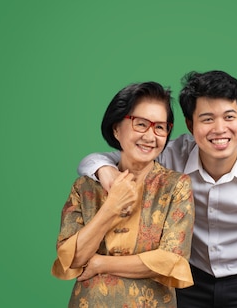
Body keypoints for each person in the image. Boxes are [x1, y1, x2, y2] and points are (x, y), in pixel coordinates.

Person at [77, 70, 237, 308]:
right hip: (188, 277)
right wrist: (105, 170)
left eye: (229, 117)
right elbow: (94, 160)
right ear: (190, 125)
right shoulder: (171, 156)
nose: (220, 129)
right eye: (207, 119)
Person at [52, 81, 196, 307]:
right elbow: (72, 258)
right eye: (141, 124)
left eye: (160, 127)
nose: (151, 136)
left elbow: (171, 259)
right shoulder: (84, 187)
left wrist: (100, 263)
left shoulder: (176, 186)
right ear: (116, 128)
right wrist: (110, 209)